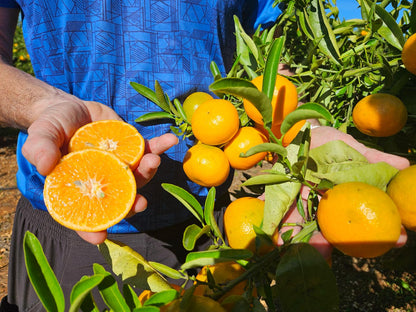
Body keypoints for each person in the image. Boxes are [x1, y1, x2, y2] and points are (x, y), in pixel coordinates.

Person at [0, 0, 409, 311]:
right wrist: (42, 105)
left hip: (211, 216)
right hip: (69, 212)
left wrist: (296, 133)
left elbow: (266, 56)